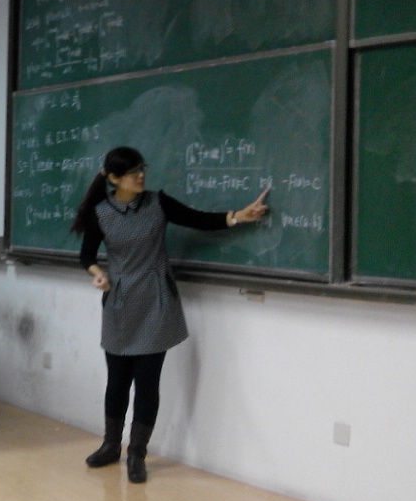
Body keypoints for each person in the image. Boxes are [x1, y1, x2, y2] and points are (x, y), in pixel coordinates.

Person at [72, 146, 269, 483]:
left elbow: (199, 219)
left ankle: (137, 454)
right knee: (117, 382)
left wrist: (239, 216)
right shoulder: (100, 212)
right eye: (133, 172)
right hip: (120, 304)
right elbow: (86, 255)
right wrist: (97, 273)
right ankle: (110, 445)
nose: (141, 176)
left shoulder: (158, 203)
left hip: (157, 303)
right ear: (114, 178)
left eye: (142, 168)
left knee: (147, 383)